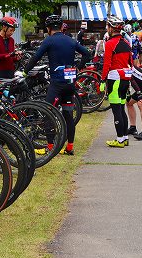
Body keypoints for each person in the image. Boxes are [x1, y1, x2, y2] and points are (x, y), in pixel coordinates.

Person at [24, 14, 92, 155]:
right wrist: (78, 67)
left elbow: (36, 58)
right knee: (68, 114)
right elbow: (87, 54)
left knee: (48, 113)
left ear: (48, 28)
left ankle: (50, 146)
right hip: (70, 83)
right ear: (61, 27)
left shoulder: (49, 41)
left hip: (56, 84)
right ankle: (70, 146)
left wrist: (25, 71)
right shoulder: (71, 41)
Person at [101, 14, 134, 147]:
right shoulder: (126, 43)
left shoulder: (110, 44)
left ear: (110, 28)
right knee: (121, 109)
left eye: (108, 26)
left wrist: (103, 80)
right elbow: (130, 62)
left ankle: (119, 139)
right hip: (125, 78)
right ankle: (125, 138)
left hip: (114, 78)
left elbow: (106, 64)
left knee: (116, 111)